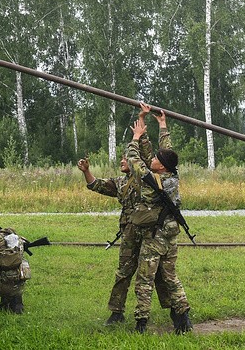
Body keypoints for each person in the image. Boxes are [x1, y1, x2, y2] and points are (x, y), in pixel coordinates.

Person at [77, 106, 172, 326]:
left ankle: (174, 310)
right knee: (124, 272)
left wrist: (145, 127)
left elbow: (156, 153)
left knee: (158, 274)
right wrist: (86, 172)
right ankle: (116, 312)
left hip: (150, 232)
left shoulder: (147, 178)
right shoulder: (121, 183)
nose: (122, 162)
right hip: (130, 232)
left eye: (124, 158)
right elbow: (96, 185)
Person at [127, 110, 192, 334]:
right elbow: (168, 152)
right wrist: (163, 125)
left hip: (154, 236)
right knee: (171, 277)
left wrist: (136, 137)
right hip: (170, 234)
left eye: (155, 159)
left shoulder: (149, 180)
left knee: (144, 279)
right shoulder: (172, 176)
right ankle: (183, 318)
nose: (152, 159)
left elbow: (132, 159)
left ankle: (141, 323)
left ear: (161, 166)